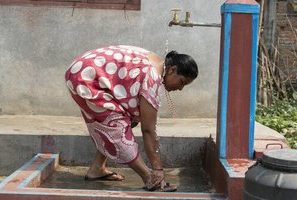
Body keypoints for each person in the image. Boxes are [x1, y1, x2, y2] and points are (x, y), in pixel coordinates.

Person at [65, 45, 198, 192]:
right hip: (86, 78)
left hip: (82, 70)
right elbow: (148, 130)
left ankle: (97, 168)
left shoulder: (155, 62)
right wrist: (158, 168)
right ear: (172, 70)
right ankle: (150, 178)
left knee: (128, 120)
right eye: (182, 82)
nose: (180, 89)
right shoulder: (152, 77)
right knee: (116, 128)